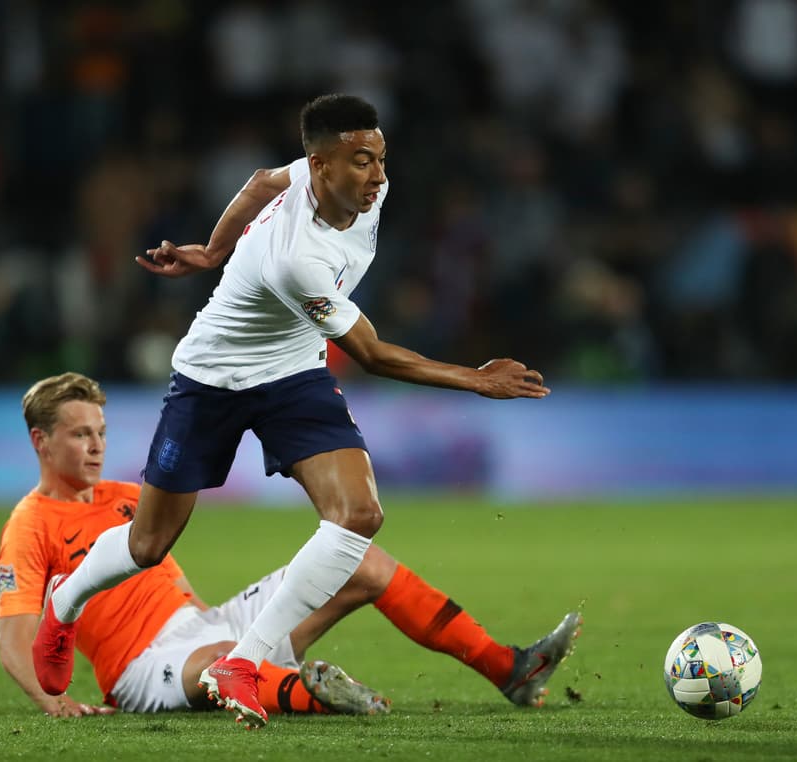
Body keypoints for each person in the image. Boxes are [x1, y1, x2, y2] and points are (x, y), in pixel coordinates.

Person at [32, 94, 553, 729]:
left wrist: (213, 251)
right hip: (212, 377)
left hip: (292, 372)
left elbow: (258, 182)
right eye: (361, 162)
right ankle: (66, 600)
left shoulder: (351, 185)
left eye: (381, 159)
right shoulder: (294, 258)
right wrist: (475, 380)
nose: (378, 176)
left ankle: (243, 662)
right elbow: (370, 354)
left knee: (359, 514)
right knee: (149, 543)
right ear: (322, 165)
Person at [9, 373, 579, 719]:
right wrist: (49, 699)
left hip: (208, 623)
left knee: (362, 559)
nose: (95, 445)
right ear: (40, 441)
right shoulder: (30, 525)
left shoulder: (130, 494)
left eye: (101, 432)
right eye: (80, 434)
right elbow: (13, 636)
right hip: (144, 668)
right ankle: (318, 696)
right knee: (216, 662)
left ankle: (511, 669)